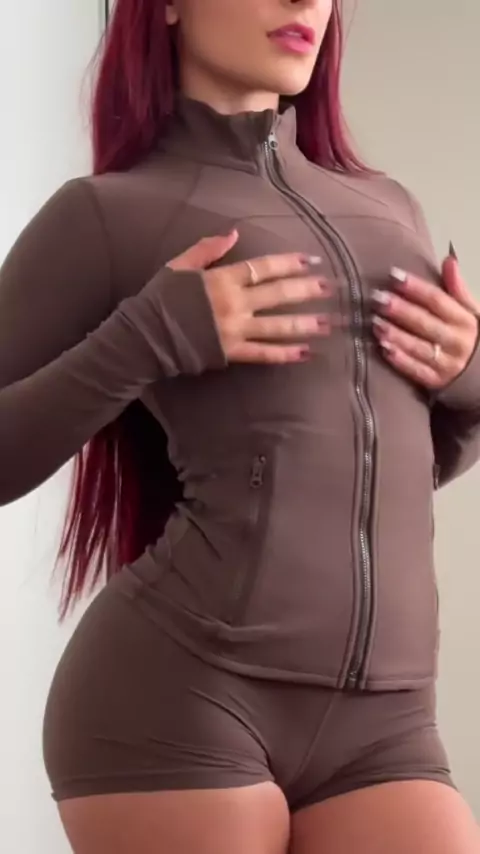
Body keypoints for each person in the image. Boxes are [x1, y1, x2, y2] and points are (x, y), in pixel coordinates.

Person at [1, 0, 479, 851]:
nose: (305, 0)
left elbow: (377, 466)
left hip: (389, 723)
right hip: (180, 696)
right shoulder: (106, 214)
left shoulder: (390, 207)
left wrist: (472, 385)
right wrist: (148, 338)